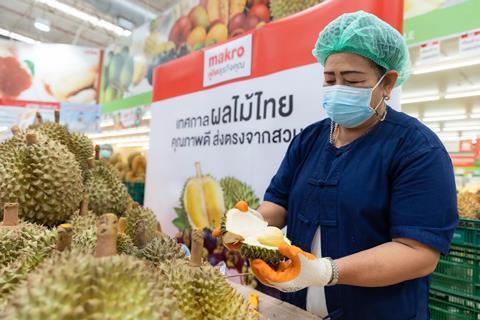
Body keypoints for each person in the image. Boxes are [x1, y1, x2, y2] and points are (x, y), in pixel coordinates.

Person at [222, 11, 458, 320]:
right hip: (297, 309)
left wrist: (326, 271)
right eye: (329, 79)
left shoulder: (417, 149)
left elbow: (418, 254)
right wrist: (249, 222)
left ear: (387, 82)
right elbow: (278, 204)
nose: (337, 89)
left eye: (352, 81)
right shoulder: (309, 139)